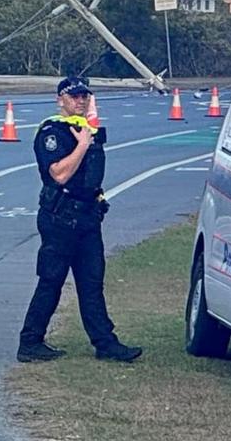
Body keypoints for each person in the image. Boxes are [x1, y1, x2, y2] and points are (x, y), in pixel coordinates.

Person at [17, 77, 143, 363]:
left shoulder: (87, 129)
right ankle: (30, 341)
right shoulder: (53, 133)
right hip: (60, 217)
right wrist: (83, 145)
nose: (81, 101)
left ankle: (105, 343)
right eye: (74, 96)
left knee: (91, 282)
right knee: (51, 281)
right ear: (60, 99)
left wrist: (88, 133)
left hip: (87, 217)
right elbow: (59, 174)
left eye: (85, 96)